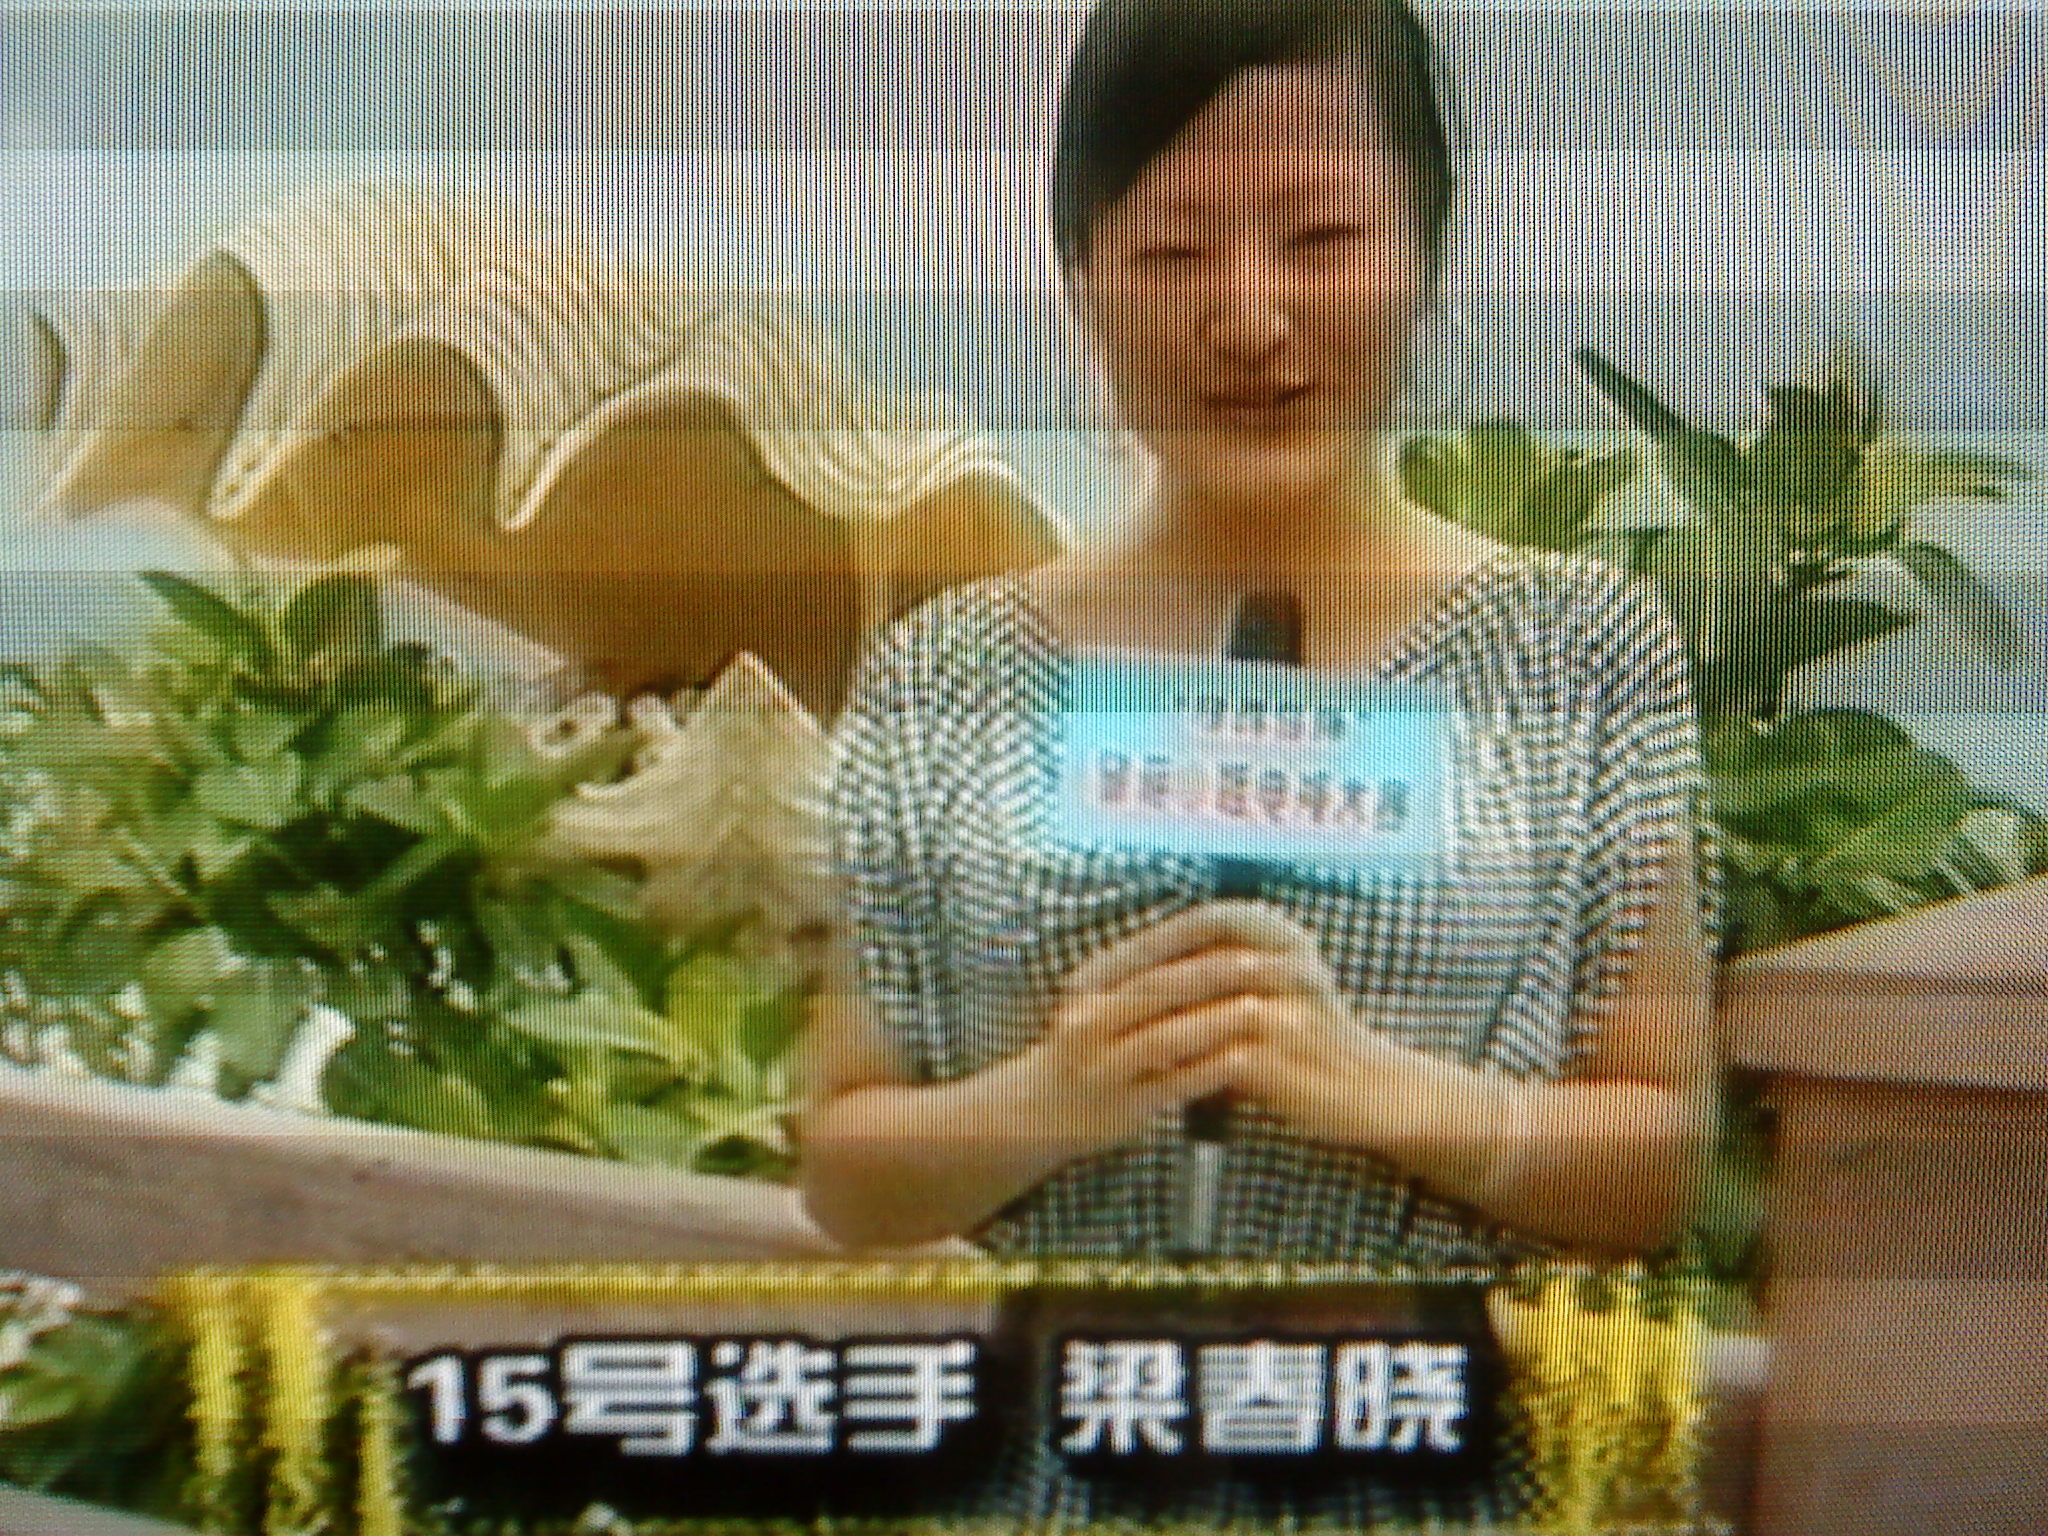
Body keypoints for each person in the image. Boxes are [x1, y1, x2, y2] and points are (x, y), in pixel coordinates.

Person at [799, 0, 1722, 1524]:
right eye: (1172, 253)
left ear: (1423, 253)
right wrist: (1060, 1095)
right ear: (1082, 281)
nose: (1246, 315)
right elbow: (845, 1166)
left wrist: (1380, 1091)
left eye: (1321, 238)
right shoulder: (946, 675)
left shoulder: (1579, 653)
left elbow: (1661, 1159)